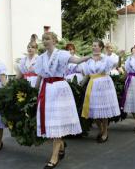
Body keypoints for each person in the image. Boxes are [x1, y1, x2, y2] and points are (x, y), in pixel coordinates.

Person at [34, 32, 92, 169]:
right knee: (50, 122)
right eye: (43, 39)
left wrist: (90, 56)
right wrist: (34, 89)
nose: (45, 41)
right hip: (46, 90)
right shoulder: (41, 58)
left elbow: (76, 61)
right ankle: (60, 145)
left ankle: (54, 158)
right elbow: (40, 75)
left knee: (57, 122)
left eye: (48, 39)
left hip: (60, 89)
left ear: (54, 41)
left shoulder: (61, 54)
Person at [82, 39, 120, 143]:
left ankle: (105, 132)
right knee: (94, 110)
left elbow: (116, 65)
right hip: (93, 84)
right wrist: (81, 83)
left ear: (101, 47)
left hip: (104, 84)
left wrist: (120, 56)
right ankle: (101, 129)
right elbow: (86, 73)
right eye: (93, 45)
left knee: (104, 110)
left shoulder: (106, 59)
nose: (93, 47)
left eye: (95, 46)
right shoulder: (89, 59)